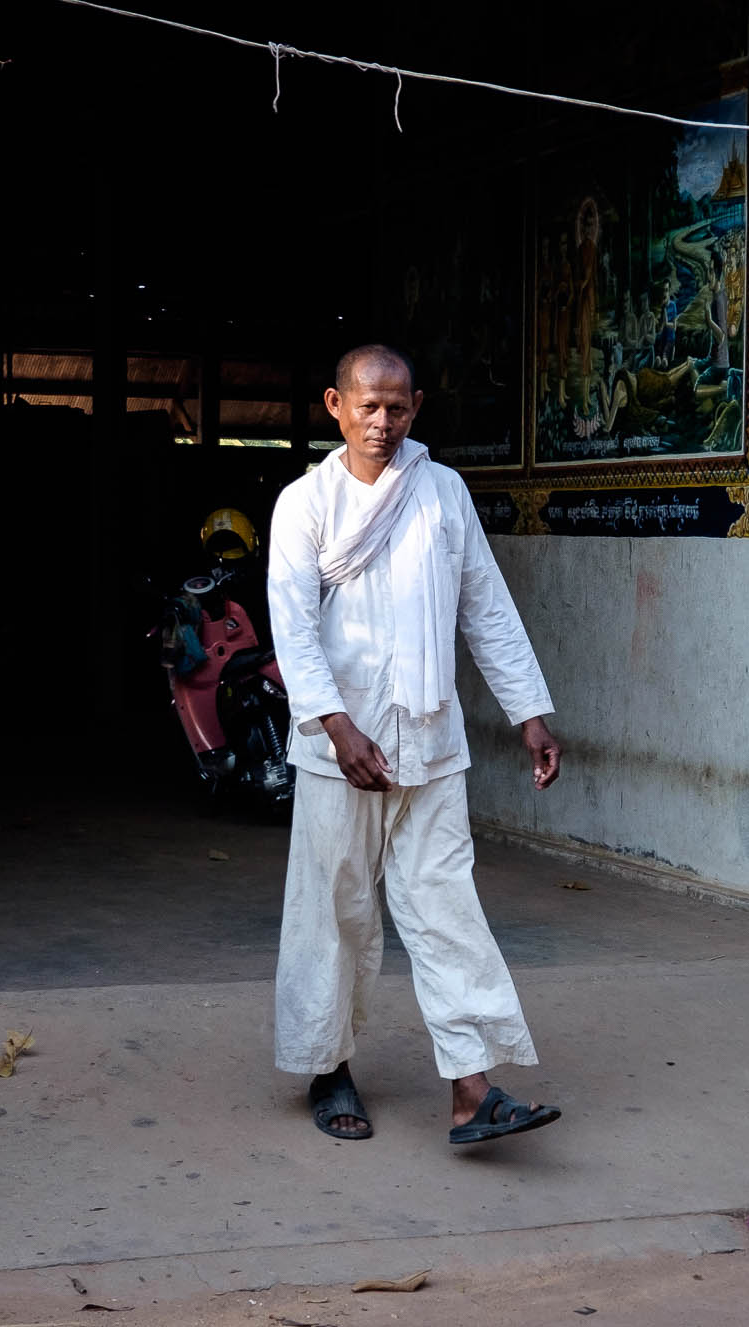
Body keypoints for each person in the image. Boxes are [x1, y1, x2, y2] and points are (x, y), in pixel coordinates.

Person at [265, 346, 564, 1146]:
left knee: (446, 909)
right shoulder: (304, 504)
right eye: (367, 406)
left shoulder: (442, 493)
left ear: (417, 407)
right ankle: (328, 1070)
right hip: (340, 751)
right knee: (337, 912)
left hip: (431, 744)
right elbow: (291, 630)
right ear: (335, 404)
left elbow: (486, 608)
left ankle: (473, 1090)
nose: (382, 422)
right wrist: (335, 725)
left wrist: (528, 711)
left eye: (397, 408)